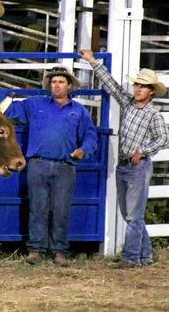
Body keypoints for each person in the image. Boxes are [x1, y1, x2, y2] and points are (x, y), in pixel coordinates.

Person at [0, 66, 98, 266]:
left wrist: (83, 150)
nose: (56, 85)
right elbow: (11, 109)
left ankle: (60, 251)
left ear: (69, 86)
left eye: (60, 82)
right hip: (38, 164)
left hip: (65, 166)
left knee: (61, 210)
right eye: (53, 82)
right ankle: (36, 250)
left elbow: (91, 136)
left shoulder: (79, 111)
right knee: (38, 208)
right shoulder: (35, 104)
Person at [79, 49, 168, 268]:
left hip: (138, 165)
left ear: (151, 92)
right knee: (130, 214)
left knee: (133, 214)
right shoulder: (129, 102)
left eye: (143, 86)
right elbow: (111, 85)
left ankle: (130, 257)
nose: (138, 89)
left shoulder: (153, 114)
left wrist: (143, 151)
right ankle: (145, 255)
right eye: (137, 85)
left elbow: (164, 138)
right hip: (125, 164)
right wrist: (93, 61)